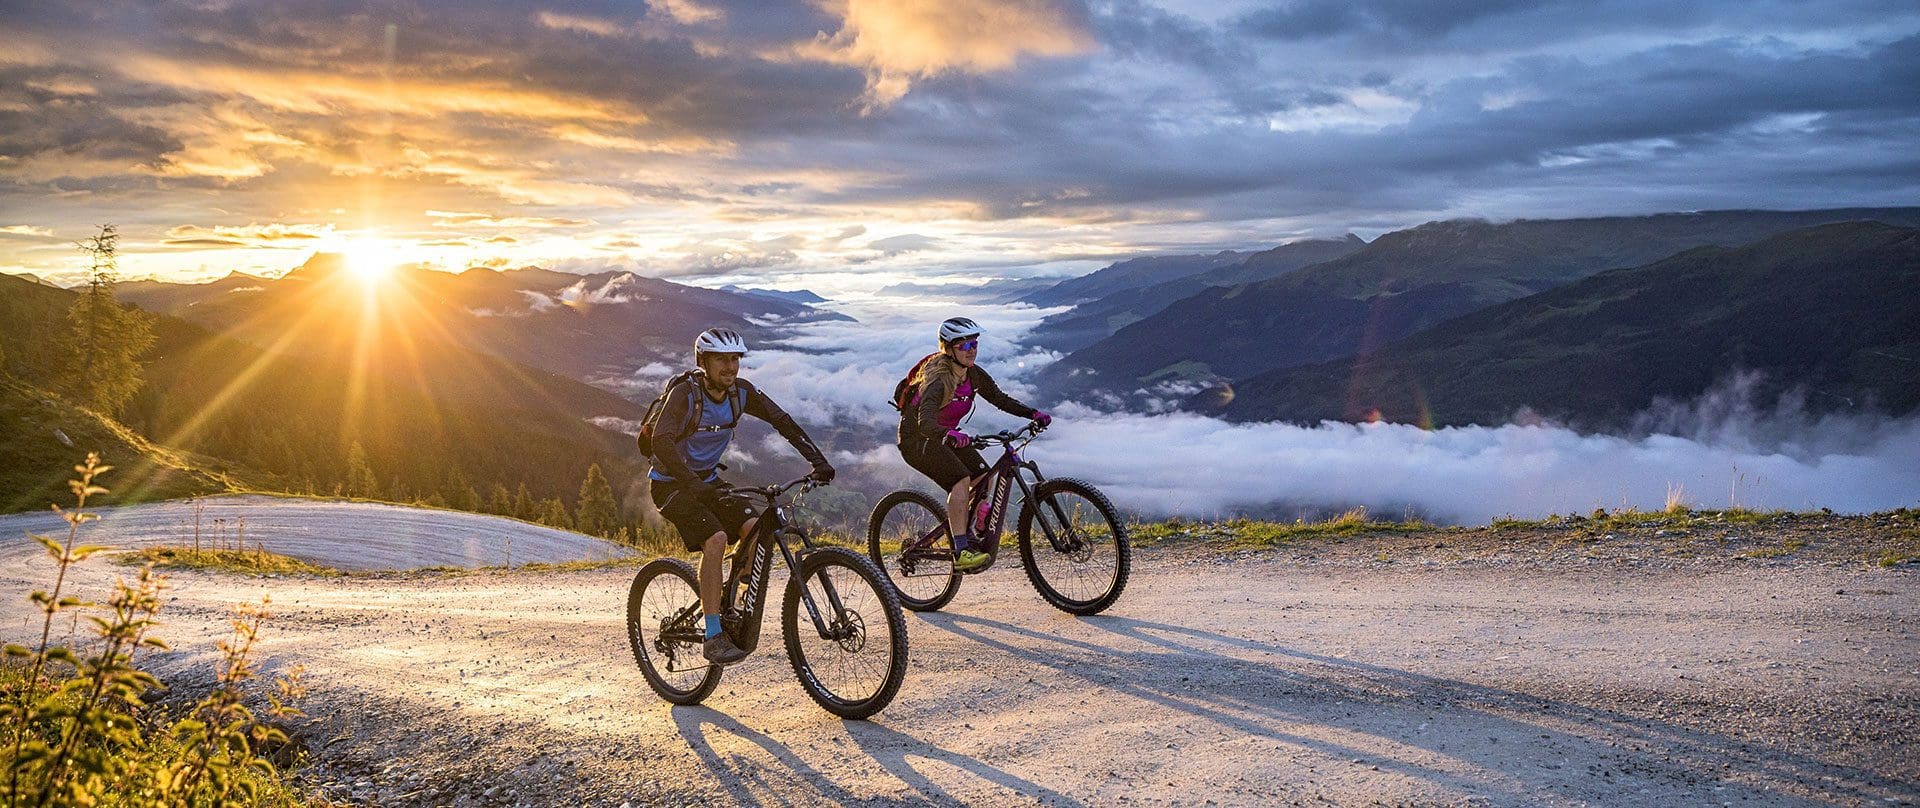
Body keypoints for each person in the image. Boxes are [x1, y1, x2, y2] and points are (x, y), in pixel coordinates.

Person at [651, 327, 835, 664]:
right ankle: (712, 633)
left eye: (735, 358)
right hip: (671, 484)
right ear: (703, 362)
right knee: (717, 538)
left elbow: (782, 421)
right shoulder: (685, 394)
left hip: (706, 481)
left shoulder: (741, 393)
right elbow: (660, 441)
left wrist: (818, 461)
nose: (731, 366)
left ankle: (729, 600)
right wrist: (692, 483)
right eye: (722, 359)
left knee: (754, 528)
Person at [896, 317, 1051, 573]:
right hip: (918, 440)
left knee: (984, 475)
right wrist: (950, 434)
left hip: (945, 435)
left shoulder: (973, 375)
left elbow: (999, 398)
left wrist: (1032, 413)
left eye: (975, 343)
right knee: (960, 479)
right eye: (965, 345)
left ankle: (968, 523)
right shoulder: (938, 380)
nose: (972, 350)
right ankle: (960, 551)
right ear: (949, 349)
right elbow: (925, 424)